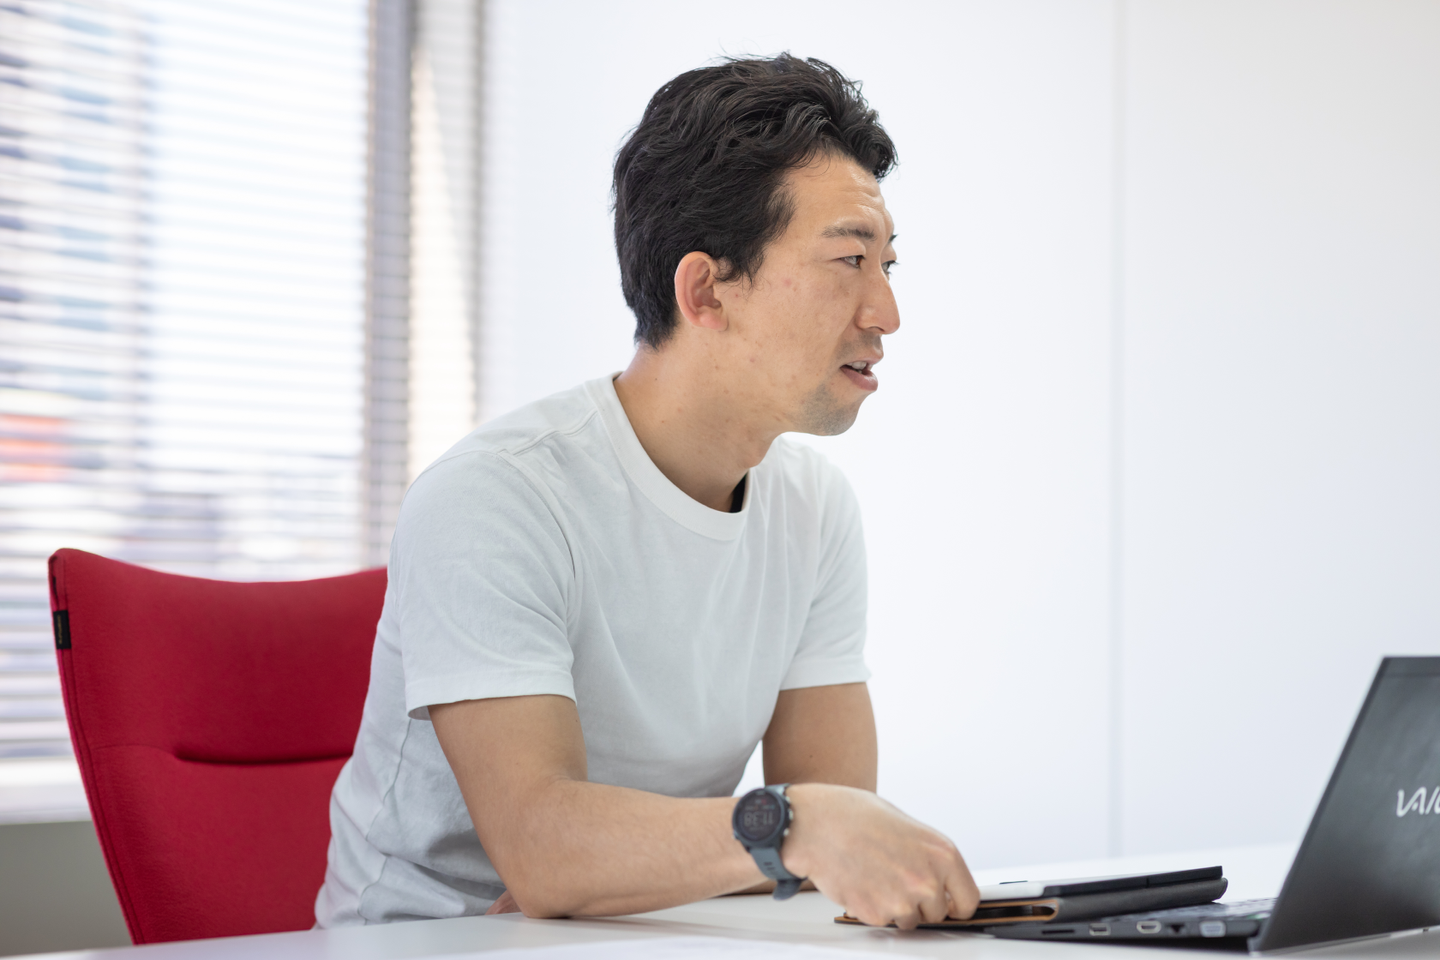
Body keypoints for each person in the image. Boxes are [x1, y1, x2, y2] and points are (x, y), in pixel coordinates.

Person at [316, 53, 979, 931]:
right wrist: (774, 833)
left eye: (886, 264)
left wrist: (621, 866)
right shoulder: (496, 497)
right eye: (849, 259)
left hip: (637, 933)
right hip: (427, 943)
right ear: (705, 291)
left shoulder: (814, 511)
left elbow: (835, 844)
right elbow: (546, 852)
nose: (886, 313)